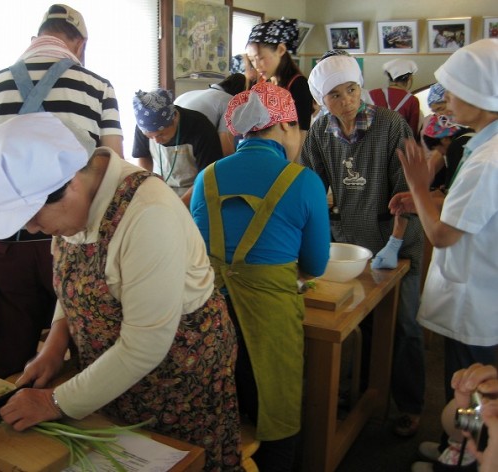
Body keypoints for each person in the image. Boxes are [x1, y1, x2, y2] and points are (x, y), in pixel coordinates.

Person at [0, 112, 242, 471]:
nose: (33, 229)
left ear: (70, 183)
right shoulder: (73, 203)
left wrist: (53, 403)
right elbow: (72, 284)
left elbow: (145, 345)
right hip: (111, 377)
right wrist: (55, 343)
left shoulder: (148, 213)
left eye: (34, 216)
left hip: (176, 379)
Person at [0, 4, 123, 378]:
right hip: (78, 239)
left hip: (10, 246)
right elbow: (114, 167)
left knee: (11, 347)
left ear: (35, 38)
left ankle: (7, 422)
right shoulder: (98, 86)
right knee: (85, 340)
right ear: (80, 44)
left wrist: (16, 214)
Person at [190, 81, 330, 471]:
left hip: (210, 318)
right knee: (275, 418)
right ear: (285, 126)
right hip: (270, 322)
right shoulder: (303, 181)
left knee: (221, 416)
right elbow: (316, 265)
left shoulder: (208, 178)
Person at [301, 54, 426, 437]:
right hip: (348, 242)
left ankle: (410, 403)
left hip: (395, 238)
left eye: (352, 89)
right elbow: (307, 185)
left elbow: (407, 194)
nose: (347, 101)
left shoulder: (391, 126)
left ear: (361, 87)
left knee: (403, 324)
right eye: (335, 95)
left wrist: (394, 243)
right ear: (323, 101)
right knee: (357, 322)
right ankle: (361, 395)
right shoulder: (321, 131)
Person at [390, 37, 498, 461]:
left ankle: (466, 457)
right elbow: (467, 212)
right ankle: (459, 447)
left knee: (472, 390)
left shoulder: (489, 160)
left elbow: (444, 236)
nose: (446, 101)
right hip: (475, 290)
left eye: (454, 92)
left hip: (477, 298)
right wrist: (423, 202)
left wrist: (417, 185)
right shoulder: (482, 143)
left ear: (482, 95)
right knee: (461, 382)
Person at [132, 88, 223, 207]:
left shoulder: (200, 127)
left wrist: (178, 207)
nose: (157, 141)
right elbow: (143, 157)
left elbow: (207, 177)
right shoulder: (144, 124)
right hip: (164, 189)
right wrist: (149, 183)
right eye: (150, 137)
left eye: (161, 134)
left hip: (197, 192)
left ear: (174, 119)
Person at [246, 18, 313, 158]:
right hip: (266, 156)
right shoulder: (262, 85)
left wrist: (291, 169)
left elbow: (302, 134)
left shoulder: (298, 85)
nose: (257, 65)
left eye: (261, 58)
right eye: (252, 60)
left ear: (281, 50)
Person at [174, 73, 246, 157]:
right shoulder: (231, 102)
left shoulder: (190, 94)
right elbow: (226, 150)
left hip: (166, 151)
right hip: (190, 151)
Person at [369, 58, 421, 140]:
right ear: (409, 78)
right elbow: (412, 133)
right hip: (399, 147)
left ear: (389, 77)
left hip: (374, 144)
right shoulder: (412, 100)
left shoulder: (373, 94)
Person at [422, 114, 474, 193]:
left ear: (444, 139)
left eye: (440, 151)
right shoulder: (473, 133)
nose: (443, 154)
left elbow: (453, 187)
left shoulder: (455, 147)